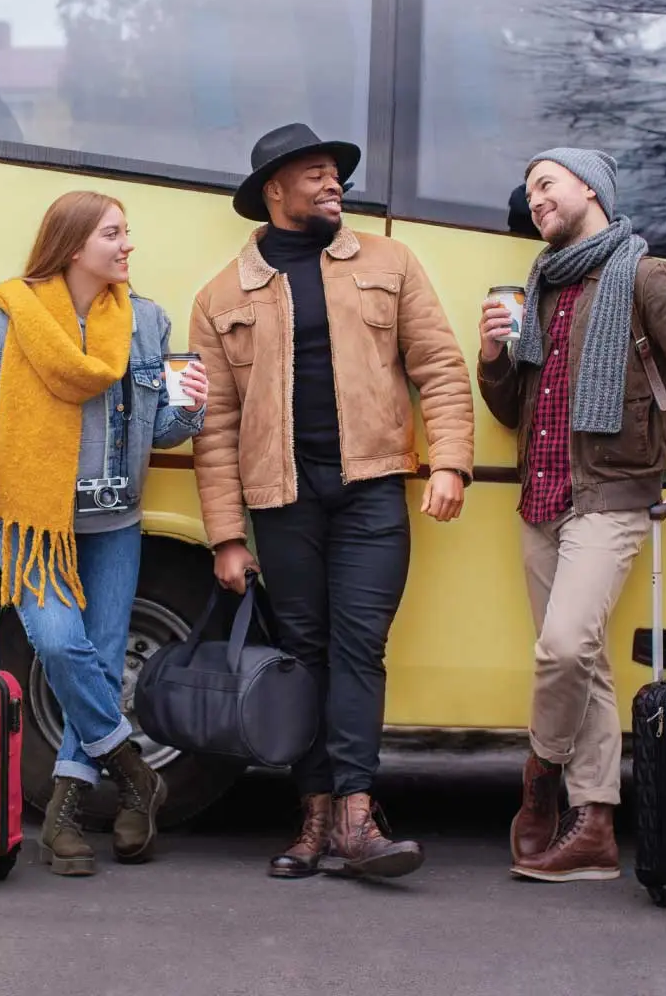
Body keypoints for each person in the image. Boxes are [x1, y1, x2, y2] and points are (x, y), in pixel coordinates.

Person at [190, 123, 475, 880]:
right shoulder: (223, 295)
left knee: (359, 648)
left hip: (372, 490)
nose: (332, 184)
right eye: (314, 174)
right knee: (302, 655)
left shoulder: (390, 262)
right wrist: (226, 536)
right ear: (274, 192)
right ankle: (311, 818)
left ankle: (356, 815)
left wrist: (448, 462)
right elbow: (213, 428)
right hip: (281, 501)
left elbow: (441, 368)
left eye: (335, 174)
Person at [477, 148, 666, 883]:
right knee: (585, 662)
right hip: (539, 499)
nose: (534, 200)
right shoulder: (542, 285)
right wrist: (495, 352)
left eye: (546, 184)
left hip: (611, 495)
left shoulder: (645, 276)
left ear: (589, 188)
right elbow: (514, 409)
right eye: (528, 191)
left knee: (563, 648)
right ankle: (593, 824)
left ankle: (539, 775)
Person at [0, 189, 208, 878]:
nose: (127, 245)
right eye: (114, 233)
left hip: (114, 521)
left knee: (102, 659)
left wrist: (191, 410)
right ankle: (133, 769)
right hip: (33, 518)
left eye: (127, 232)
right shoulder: (10, 318)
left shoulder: (146, 323)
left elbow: (160, 427)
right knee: (57, 641)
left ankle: (63, 816)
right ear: (75, 244)